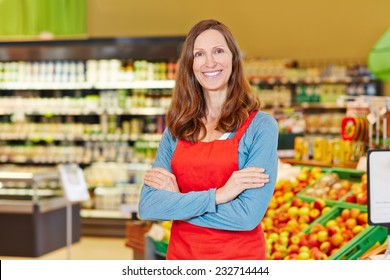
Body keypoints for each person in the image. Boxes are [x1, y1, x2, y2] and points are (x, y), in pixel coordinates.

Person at [138, 19, 278, 260]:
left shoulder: (261, 127)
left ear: (233, 58)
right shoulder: (176, 129)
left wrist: (178, 202)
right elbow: (149, 206)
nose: (210, 62)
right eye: (200, 54)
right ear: (190, 65)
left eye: (218, 51)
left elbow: (246, 216)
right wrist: (219, 195)